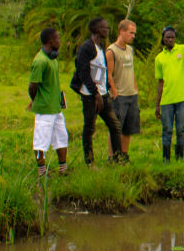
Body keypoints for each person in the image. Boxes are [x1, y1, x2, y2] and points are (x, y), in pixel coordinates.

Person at [70, 17, 123, 166]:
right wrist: (95, 94)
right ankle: (90, 163)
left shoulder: (101, 46)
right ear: (96, 30)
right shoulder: (87, 47)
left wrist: (105, 91)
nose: (107, 30)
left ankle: (118, 159)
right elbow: (83, 72)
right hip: (90, 96)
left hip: (103, 94)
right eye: (104, 28)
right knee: (89, 129)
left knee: (115, 126)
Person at [154, 26, 184, 162]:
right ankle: (166, 158)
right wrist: (157, 105)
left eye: (172, 37)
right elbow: (160, 82)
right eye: (167, 37)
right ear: (163, 38)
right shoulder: (159, 58)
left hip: (183, 98)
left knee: (181, 129)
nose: (170, 39)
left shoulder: (182, 49)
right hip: (167, 100)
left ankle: (180, 157)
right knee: (167, 130)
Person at [28, 28, 69, 176]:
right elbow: (33, 86)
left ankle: (63, 169)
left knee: (62, 137)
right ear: (50, 41)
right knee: (40, 141)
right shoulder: (40, 61)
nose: (60, 41)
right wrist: (36, 101)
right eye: (58, 39)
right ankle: (41, 171)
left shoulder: (53, 59)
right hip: (44, 109)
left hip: (56, 107)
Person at [105, 19, 139, 164]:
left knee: (128, 128)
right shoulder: (111, 51)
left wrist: (135, 89)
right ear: (122, 32)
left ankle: (124, 154)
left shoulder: (130, 50)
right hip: (119, 95)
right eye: (131, 33)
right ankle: (112, 156)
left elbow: (131, 71)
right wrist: (115, 93)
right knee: (116, 128)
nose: (133, 36)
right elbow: (109, 75)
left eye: (134, 33)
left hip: (131, 94)